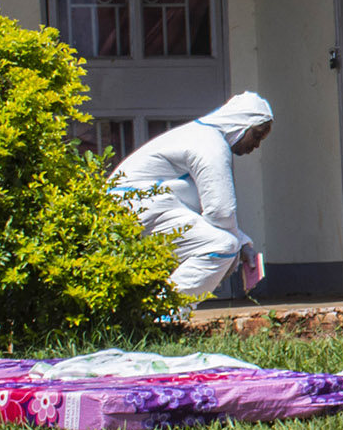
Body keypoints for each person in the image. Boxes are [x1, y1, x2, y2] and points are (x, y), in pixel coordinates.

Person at [112, 93, 275, 300]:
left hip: (135, 211)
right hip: (139, 209)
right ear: (241, 124)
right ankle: (167, 315)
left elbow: (201, 204)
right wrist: (238, 247)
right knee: (222, 246)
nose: (257, 145)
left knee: (222, 244)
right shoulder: (211, 145)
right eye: (257, 135)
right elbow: (220, 212)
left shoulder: (200, 136)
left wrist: (243, 244)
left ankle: (157, 311)